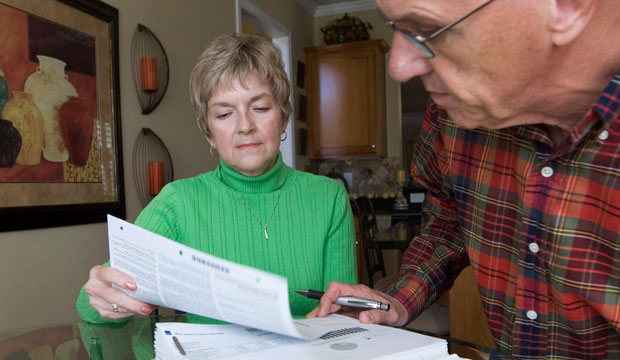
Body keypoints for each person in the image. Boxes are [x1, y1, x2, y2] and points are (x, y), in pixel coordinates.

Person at [309, 0, 620, 358]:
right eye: (397, 28)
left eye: (427, 29)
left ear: (569, 8)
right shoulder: (451, 117)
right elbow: (450, 220)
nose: (398, 66)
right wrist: (397, 300)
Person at [77, 33, 357, 325]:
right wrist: (100, 297)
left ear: (283, 117)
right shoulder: (177, 203)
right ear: (209, 131)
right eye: (225, 114)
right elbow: (90, 308)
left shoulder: (328, 198)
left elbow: (344, 316)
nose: (245, 126)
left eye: (260, 108)